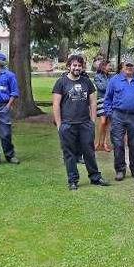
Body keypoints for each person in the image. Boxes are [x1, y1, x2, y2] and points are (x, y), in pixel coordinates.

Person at [51, 55, 110, 190]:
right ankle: (73, 180)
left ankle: (95, 177)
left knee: (89, 152)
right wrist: (60, 125)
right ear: (69, 66)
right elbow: (56, 104)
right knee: (69, 153)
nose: (77, 68)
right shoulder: (61, 82)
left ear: (82, 67)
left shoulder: (86, 82)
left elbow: (93, 102)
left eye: (79, 65)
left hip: (84, 124)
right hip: (67, 124)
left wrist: (92, 121)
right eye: (74, 65)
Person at [104, 60, 134, 180]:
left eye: (132, 65)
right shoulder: (114, 80)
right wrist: (110, 113)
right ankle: (120, 170)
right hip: (118, 115)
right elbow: (107, 98)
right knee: (118, 144)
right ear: (122, 67)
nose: (129, 67)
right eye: (127, 65)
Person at [93, 60, 113, 152]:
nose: (111, 67)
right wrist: (110, 85)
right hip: (101, 100)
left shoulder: (110, 76)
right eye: (109, 66)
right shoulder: (97, 76)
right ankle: (98, 142)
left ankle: (104, 143)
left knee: (108, 122)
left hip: (110, 100)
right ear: (104, 66)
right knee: (102, 122)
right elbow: (101, 87)